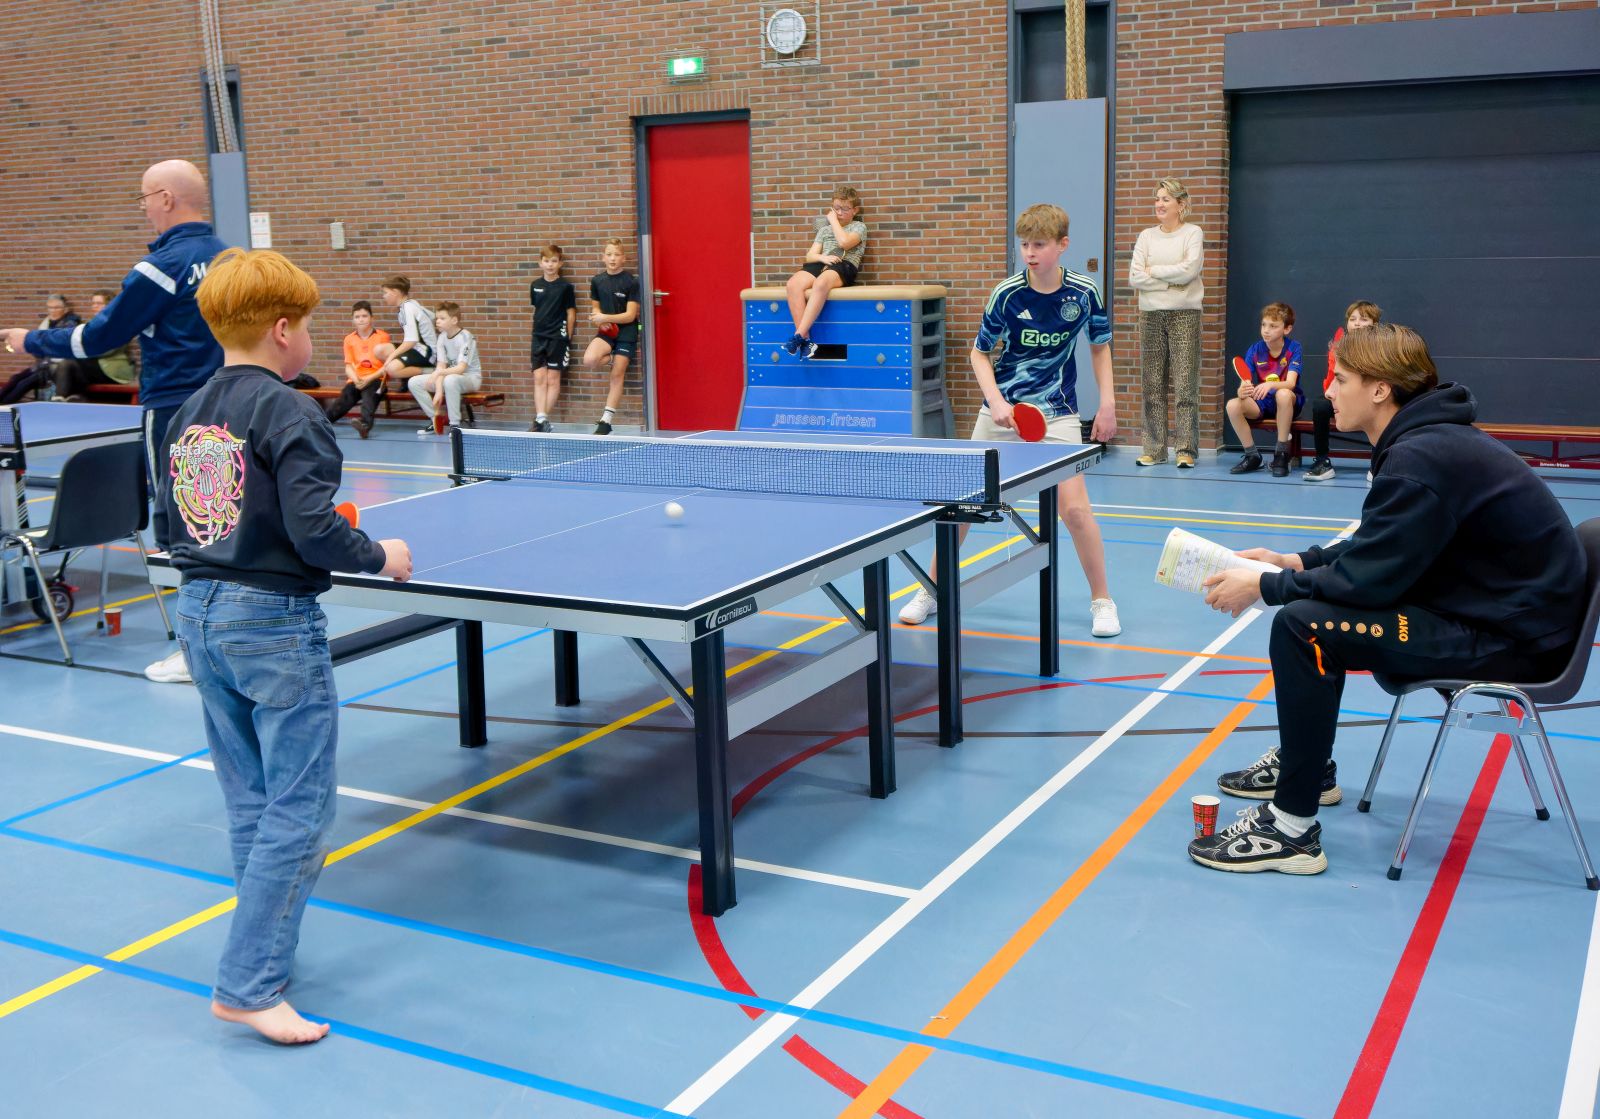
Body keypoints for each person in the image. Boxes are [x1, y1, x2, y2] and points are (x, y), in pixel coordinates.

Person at [1190, 323, 1585, 875]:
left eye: (1341, 379)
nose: (1329, 390)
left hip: (1511, 641)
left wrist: (1265, 586)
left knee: (1302, 627)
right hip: (1492, 613)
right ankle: (1310, 769)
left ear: (1380, 390)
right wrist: (1295, 561)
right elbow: (1381, 545)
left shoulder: (1421, 457)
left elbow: (1368, 581)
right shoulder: (1423, 442)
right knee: (1312, 617)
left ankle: (1292, 829)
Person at [154, 247, 412, 1042]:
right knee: (300, 808)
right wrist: (380, 554)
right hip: (270, 622)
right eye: (306, 325)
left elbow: (173, 521)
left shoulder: (187, 411)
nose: (309, 338)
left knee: (252, 802)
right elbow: (315, 531)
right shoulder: (290, 410)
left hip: (198, 613)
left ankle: (263, 953)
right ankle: (247, 983)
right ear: (281, 329)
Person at [0, 159, 228, 685]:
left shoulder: (159, 268)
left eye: (144, 198)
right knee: (222, 520)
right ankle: (227, 638)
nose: (144, 208)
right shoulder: (230, 258)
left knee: (181, 526)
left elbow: (96, 338)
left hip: (174, 408)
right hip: (229, 402)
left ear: (166, 198)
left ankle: (198, 651)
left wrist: (29, 339)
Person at [899, 203, 1121, 638]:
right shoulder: (1006, 294)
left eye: (1039, 244)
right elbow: (979, 353)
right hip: (1002, 413)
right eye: (1024, 245)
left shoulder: (1083, 292)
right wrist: (996, 402)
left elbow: (1099, 347)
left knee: (1076, 511)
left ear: (1062, 245)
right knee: (963, 507)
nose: (1030, 253)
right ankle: (930, 590)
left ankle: (1103, 600)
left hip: (1057, 413)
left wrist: (1108, 404)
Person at [1128, 179, 1204, 468]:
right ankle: (1155, 449)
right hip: (1150, 314)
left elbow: (1189, 271)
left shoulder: (1193, 233)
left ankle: (1186, 449)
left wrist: (1155, 272)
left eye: (1166, 199)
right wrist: (1171, 283)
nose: (1159, 204)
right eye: (1157, 199)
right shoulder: (1146, 236)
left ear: (1180, 205)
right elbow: (1135, 277)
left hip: (1185, 314)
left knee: (1185, 385)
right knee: (1152, 384)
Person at [783, 187, 867, 360]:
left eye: (845, 209)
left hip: (844, 264)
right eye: (836, 208)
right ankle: (806, 341)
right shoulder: (824, 231)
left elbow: (844, 243)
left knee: (821, 283)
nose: (839, 212)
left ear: (855, 210)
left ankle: (798, 335)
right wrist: (823, 258)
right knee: (793, 284)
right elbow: (810, 255)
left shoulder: (859, 227)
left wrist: (833, 221)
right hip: (823, 261)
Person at [1304, 300, 1381, 482]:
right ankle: (1322, 462)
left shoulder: (1381, 348)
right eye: (1353, 319)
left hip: (1368, 399)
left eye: (1363, 319)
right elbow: (1331, 382)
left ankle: (1377, 463)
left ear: (1374, 324)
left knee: (1382, 407)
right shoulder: (1338, 347)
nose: (1357, 323)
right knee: (1320, 405)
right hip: (1343, 399)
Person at [1224, 302, 1304, 477]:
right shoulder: (1254, 350)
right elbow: (1245, 381)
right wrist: (1242, 391)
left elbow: (1290, 383)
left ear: (1287, 329)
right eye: (1264, 325)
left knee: (1283, 394)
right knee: (1233, 405)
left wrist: (1270, 385)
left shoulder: (1294, 348)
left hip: (1289, 400)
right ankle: (1252, 456)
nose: (1266, 330)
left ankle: (1281, 454)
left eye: (1273, 326)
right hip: (1264, 402)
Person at [581, 238, 640, 434]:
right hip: (607, 332)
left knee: (617, 374)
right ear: (603, 257)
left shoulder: (631, 282)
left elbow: (630, 315)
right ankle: (614, 358)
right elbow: (595, 310)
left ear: (623, 258)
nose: (613, 258)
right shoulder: (597, 281)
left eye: (616, 255)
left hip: (627, 332)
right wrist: (598, 319)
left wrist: (605, 317)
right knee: (589, 360)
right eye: (609, 254)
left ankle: (606, 421)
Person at [52, 289, 140, 399]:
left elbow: (105, 349)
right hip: (93, 367)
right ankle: (68, 399)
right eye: (93, 303)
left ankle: (60, 401)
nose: (94, 306)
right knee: (59, 366)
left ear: (109, 306)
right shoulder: (91, 324)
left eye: (98, 303)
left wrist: (80, 350)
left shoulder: (119, 324)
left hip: (110, 369)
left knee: (67, 364)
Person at [321, 300, 391, 438]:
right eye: (357, 317)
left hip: (376, 379)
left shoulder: (383, 336)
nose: (361, 319)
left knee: (369, 398)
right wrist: (356, 380)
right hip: (357, 379)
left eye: (364, 316)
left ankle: (364, 426)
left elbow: (388, 366)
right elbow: (348, 366)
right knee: (343, 400)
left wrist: (368, 379)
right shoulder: (349, 339)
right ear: (353, 320)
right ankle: (322, 423)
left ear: (372, 318)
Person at [408, 301, 482, 431]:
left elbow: (460, 369)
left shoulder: (466, 337)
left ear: (454, 320)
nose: (437, 321)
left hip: (470, 378)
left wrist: (438, 373)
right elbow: (441, 367)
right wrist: (438, 391)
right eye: (437, 318)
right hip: (448, 377)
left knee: (450, 380)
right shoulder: (442, 337)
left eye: (442, 318)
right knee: (414, 382)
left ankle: (455, 425)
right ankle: (435, 419)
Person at [0, 295, 82, 403]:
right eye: (50, 307)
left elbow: (61, 347)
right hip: (42, 364)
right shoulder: (45, 323)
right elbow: (39, 348)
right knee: (16, 378)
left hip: (57, 367)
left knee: (24, 384)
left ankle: (5, 405)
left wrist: (42, 349)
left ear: (65, 309)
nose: (53, 311)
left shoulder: (71, 324)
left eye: (56, 307)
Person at [529, 244, 575, 433]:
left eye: (554, 261)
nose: (550, 265)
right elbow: (536, 309)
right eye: (546, 261)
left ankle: (541, 420)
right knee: (539, 378)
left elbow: (571, 313)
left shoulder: (565, 287)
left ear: (560, 263)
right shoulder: (535, 286)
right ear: (540, 263)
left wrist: (567, 337)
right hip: (538, 338)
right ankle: (541, 419)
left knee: (553, 379)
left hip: (558, 338)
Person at [373, 275, 436, 384]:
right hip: (416, 348)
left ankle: (431, 371)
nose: (384, 296)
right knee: (379, 350)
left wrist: (391, 357)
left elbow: (411, 341)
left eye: (386, 293)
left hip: (427, 352)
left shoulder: (408, 308)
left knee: (391, 368)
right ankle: (406, 377)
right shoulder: (411, 303)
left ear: (395, 292)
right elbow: (433, 316)